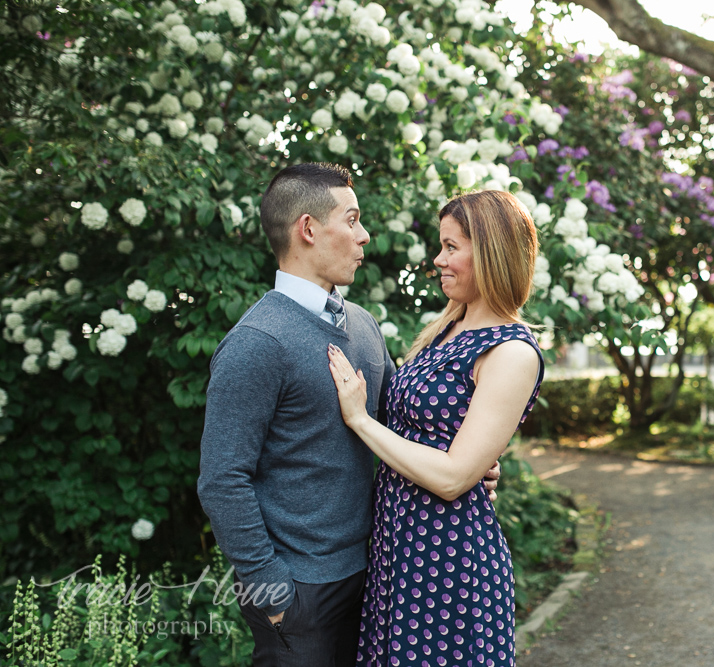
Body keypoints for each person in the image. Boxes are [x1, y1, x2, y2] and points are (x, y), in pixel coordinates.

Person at [197, 162, 500, 666]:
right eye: (352, 219)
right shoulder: (256, 342)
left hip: (381, 574)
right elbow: (222, 480)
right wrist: (271, 592)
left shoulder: (362, 324)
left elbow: (396, 425)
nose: (364, 236)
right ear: (309, 230)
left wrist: (469, 461)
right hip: (300, 592)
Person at [326, 189, 545, 667]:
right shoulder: (447, 328)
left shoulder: (511, 352)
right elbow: (438, 438)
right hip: (398, 548)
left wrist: (360, 419)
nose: (438, 259)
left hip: (448, 563)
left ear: (489, 253)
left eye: (451, 247)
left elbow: (450, 478)